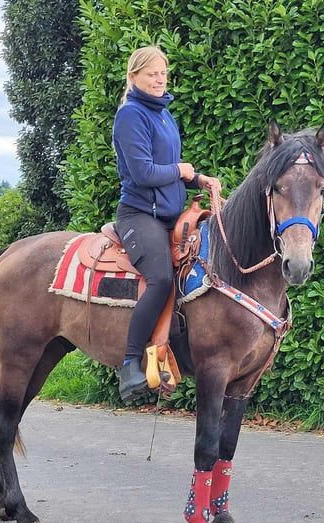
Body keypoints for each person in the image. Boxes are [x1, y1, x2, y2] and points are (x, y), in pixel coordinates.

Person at [113, 46, 221, 400]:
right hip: (139, 216)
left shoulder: (163, 114)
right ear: (134, 77)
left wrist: (199, 179)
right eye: (152, 74)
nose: (159, 79)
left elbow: (170, 169)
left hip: (170, 216)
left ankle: (177, 351)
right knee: (160, 280)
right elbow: (144, 173)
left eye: (163, 73)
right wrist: (181, 171)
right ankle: (130, 364)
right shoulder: (131, 115)